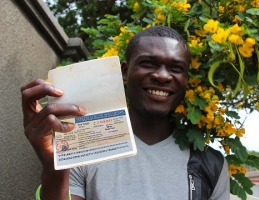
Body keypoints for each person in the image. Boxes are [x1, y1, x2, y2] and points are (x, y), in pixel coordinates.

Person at [21, 26, 229, 200]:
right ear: (124, 71)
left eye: (176, 68)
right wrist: (55, 167)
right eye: (148, 63)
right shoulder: (80, 146)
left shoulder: (212, 165)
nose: (163, 76)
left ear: (186, 80)